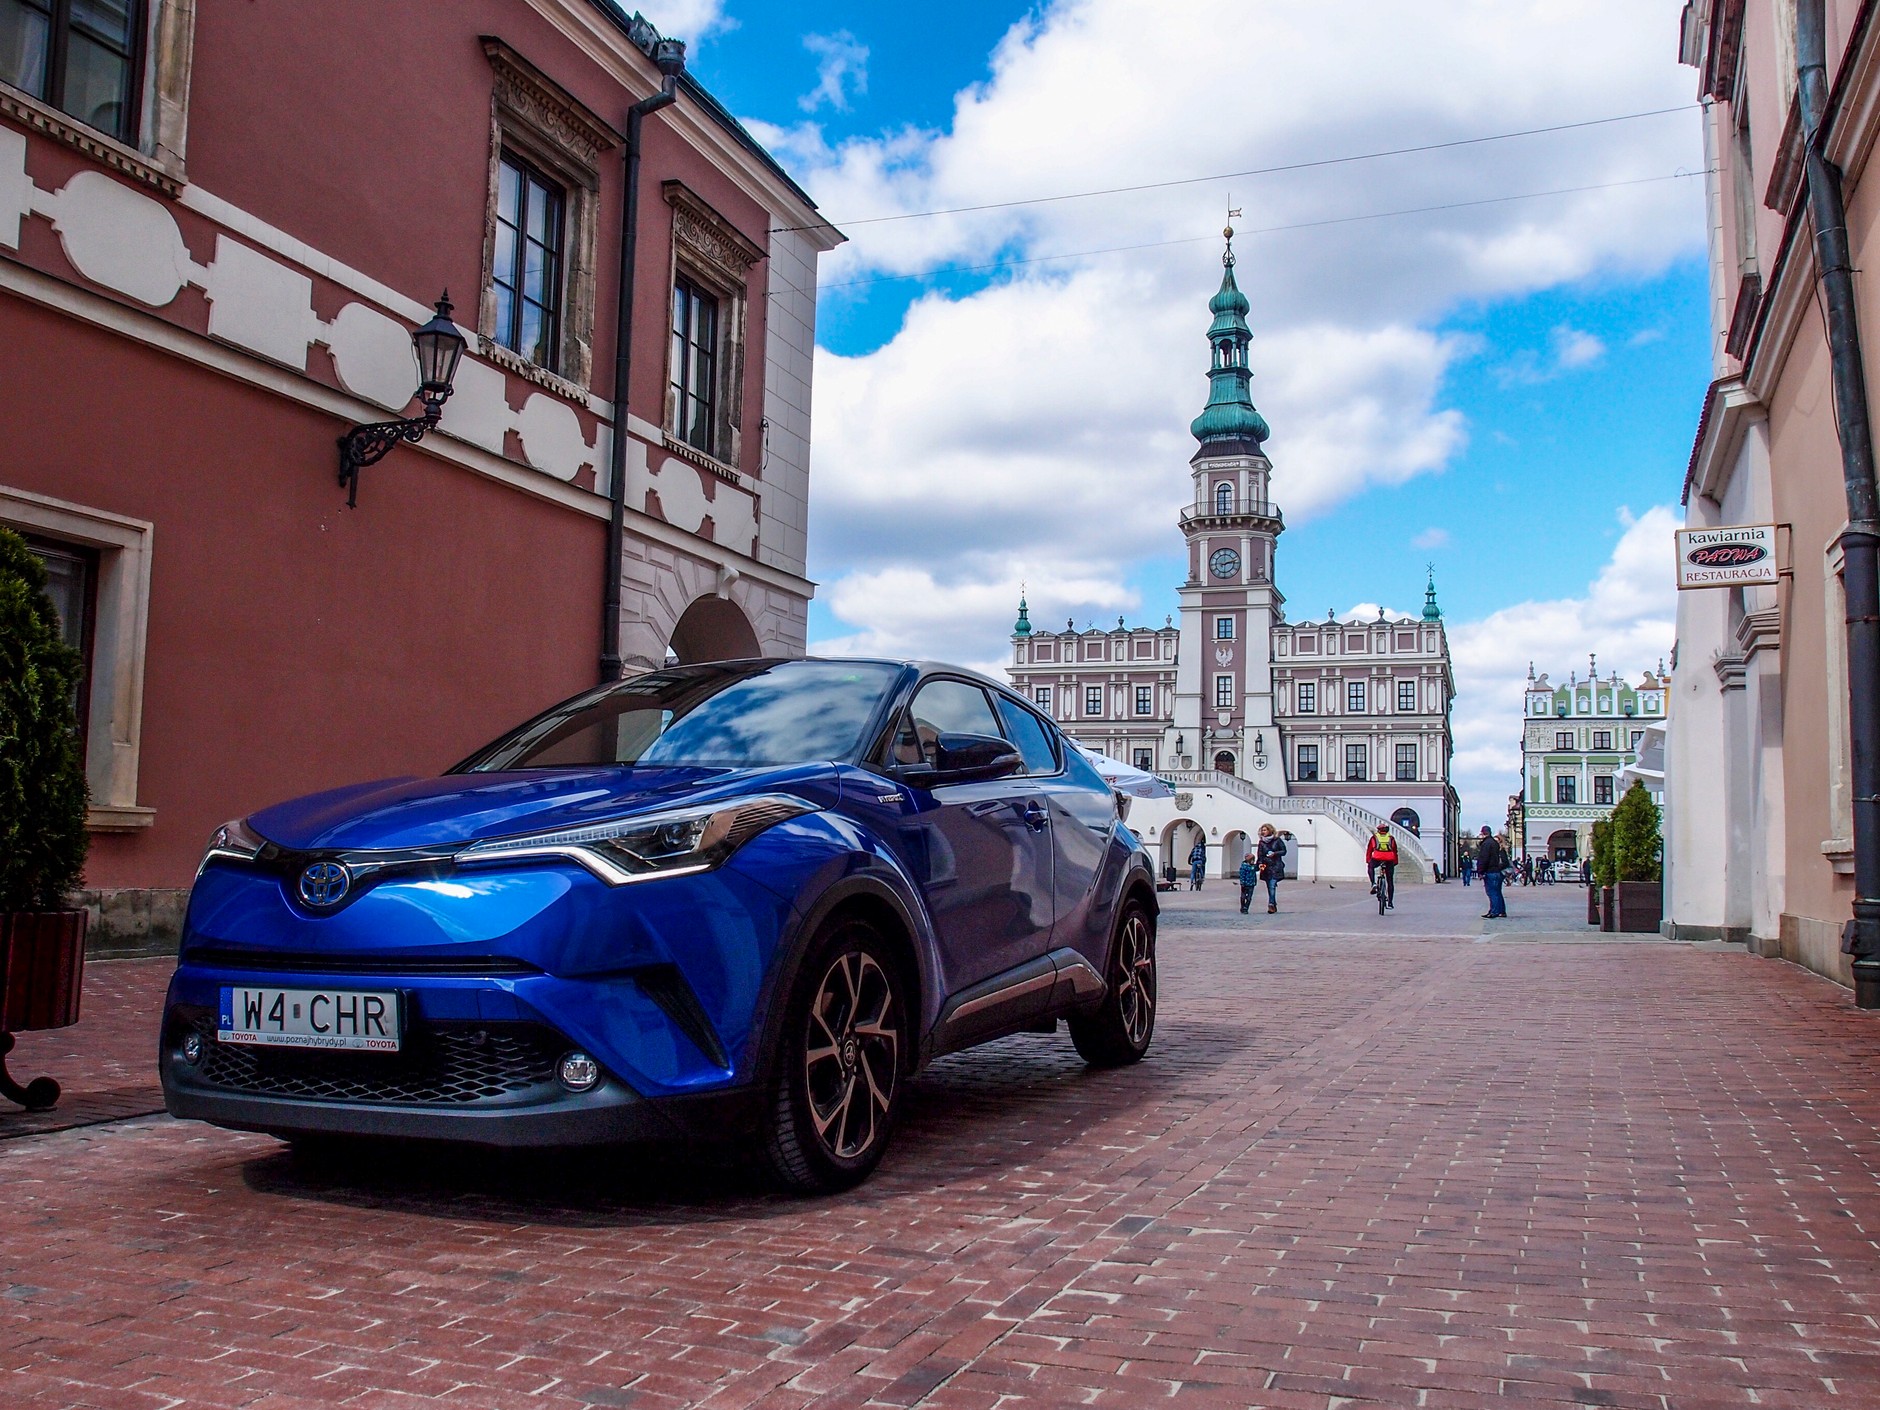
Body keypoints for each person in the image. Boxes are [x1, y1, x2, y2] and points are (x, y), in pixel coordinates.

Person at [1476, 825, 1508, 919]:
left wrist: (1481, 871)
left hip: (1490, 871)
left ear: (1483, 833)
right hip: (1497, 871)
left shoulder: (1486, 844)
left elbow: (1484, 858)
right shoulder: (1495, 843)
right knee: (1497, 892)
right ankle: (1500, 911)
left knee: (1492, 892)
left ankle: (1494, 911)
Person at [1366, 823, 1399, 909]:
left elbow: (1369, 850)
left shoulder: (1374, 838)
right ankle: (1390, 902)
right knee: (1390, 881)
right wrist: (1395, 861)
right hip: (1389, 859)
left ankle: (1373, 883)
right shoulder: (1391, 838)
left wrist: (1368, 860)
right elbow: (1395, 851)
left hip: (1377, 857)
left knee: (1370, 867)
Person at [1256, 823, 1287, 914]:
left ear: (1270, 830)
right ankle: (1273, 902)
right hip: (1266, 867)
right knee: (1269, 887)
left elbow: (1284, 851)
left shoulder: (1277, 840)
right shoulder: (1261, 842)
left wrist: (1275, 853)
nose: (1263, 832)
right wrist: (1260, 864)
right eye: (1262, 830)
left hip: (1276, 865)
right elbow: (1260, 854)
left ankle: (1271, 905)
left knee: (1272, 885)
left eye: (1265, 830)